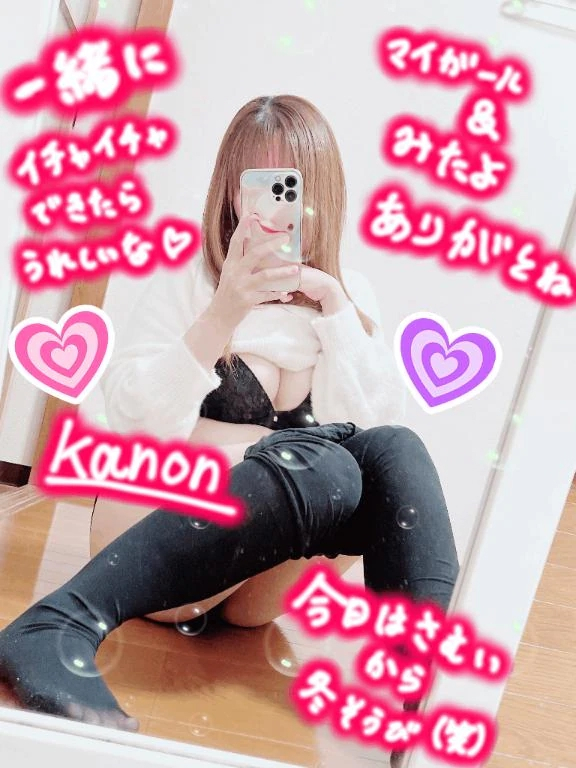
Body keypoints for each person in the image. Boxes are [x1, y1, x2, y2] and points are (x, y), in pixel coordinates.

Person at [0, 96, 459, 741]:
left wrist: (334, 309)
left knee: (393, 449)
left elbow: (370, 436)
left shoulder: (349, 296)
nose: (274, 207)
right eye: (257, 183)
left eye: (290, 184)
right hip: (152, 536)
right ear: (231, 191)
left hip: (255, 591)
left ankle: (419, 692)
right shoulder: (189, 280)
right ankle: (59, 624)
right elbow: (134, 430)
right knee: (322, 462)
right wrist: (222, 313)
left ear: (321, 193)